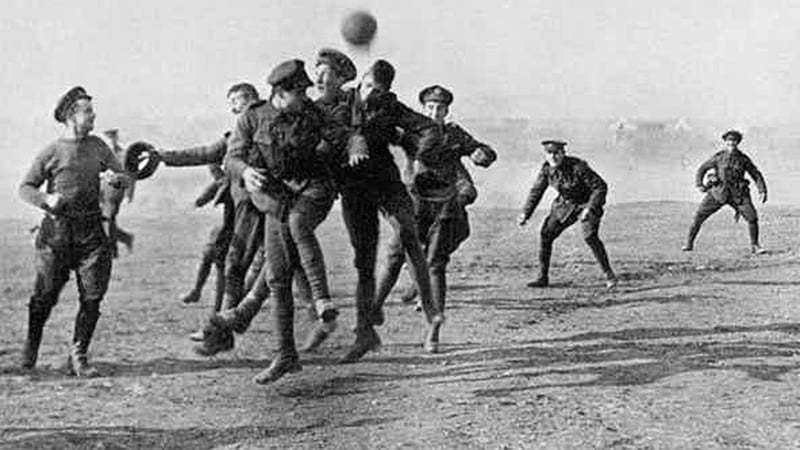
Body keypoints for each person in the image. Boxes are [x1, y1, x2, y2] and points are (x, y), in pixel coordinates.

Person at [225, 59, 340, 384]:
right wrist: (246, 172)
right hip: (277, 197)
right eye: (298, 92)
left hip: (313, 189)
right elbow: (231, 158)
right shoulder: (252, 117)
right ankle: (286, 354)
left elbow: (339, 133)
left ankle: (321, 299)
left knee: (297, 226)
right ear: (280, 92)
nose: (304, 97)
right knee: (277, 277)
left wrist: (345, 144)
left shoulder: (310, 113)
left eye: (306, 91)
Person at [371, 85, 497, 352]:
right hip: (414, 203)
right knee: (394, 255)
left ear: (446, 111)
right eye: (429, 107)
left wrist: (482, 155)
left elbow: (481, 150)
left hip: (444, 206)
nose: (434, 112)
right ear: (423, 108)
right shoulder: (411, 131)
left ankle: (433, 331)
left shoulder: (453, 133)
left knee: (435, 264)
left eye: (439, 108)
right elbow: (380, 133)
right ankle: (374, 309)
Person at [336, 60, 444, 362]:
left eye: (379, 90)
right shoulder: (341, 101)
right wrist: (353, 142)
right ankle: (364, 333)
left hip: (385, 181)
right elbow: (328, 129)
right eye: (368, 87)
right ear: (360, 83)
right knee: (364, 260)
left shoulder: (391, 106)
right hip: (354, 188)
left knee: (409, 234)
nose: (372, 94)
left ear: (387, 90)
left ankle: (432, 312)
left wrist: (420, 157)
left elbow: (430, 128)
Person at [18, 86, 130, 377]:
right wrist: (45, 199)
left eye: (92, 111)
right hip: (55, 236)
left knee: (92, 296)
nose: (93, 116)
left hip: (91, 233)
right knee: (44, 297)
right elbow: (25, 187)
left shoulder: (99, 146)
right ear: (71, 115)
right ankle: (31, 348)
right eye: (88, 111)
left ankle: (78, 357)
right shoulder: (52, 152)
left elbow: (121, 177)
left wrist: (115, 180)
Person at [518, 140, 617, 289]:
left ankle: (609, 275)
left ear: (563, 153)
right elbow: (536, 191)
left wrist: (589, 208)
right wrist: (525, 213)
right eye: (549, 154)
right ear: (546, 155)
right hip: (565, 205)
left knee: (590, 236)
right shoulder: (546, 170)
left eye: (557, 153)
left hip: (587, 202)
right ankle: (542, 278)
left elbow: (600, 187)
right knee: (546, 234)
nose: (553, 157)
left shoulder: (578, 167)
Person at [683, 130, 768, 254]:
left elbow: (755, 174)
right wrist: (699, 184)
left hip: (738, 194)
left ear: (737, 143)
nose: (731, 143)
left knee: (752, 218)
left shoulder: (743, 159)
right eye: (729, 141)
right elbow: (702, 168)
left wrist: (762, 190)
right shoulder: (718, 157)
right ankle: (689, 243)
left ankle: (755, 246)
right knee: (699, 216)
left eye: (734, 141)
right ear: (725, 142)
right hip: (718, 193)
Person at [99, 129, 135, 258]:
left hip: (115, 191)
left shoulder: (123, 155)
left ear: (116, 138)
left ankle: (112, 251)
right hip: (100, 191)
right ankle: (125, 239)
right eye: (107, 137)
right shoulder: (101, 154)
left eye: (112, 137)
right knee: (106, 219)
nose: (110, 140)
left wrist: (129, 193)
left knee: (108, 218)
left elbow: (131, 175)